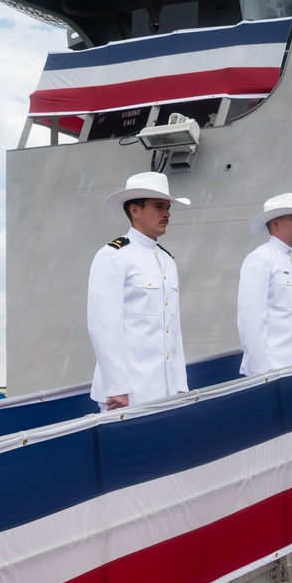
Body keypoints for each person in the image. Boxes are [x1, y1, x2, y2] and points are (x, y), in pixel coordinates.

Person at [88, 171, 190, 410]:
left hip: (165, 390)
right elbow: (103, 327)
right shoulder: (113, 255)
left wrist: (180, 383)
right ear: (135, 210)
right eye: (159, 206)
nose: (167, 214)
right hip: (127, 394)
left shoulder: (167, 261)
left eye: (168, 207)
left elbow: (173, 330)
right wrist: (117, 388)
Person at [237, 192, 292, 376]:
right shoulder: (260, 259)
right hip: (274, 370)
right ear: (276, 223)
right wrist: (261, 373)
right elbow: (251, 320)